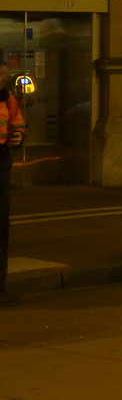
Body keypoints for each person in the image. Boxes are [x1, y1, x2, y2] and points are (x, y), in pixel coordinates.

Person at [0, 64, 26, 304]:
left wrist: (18, 136)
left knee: (1, 225)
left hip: (1, 160)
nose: (4, 76)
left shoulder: (8, 99)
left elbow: (17, 123)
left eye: (4, 73)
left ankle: (1, 286)